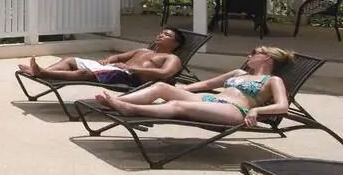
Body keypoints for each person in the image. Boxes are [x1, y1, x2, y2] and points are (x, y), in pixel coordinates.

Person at [95, 46, 292, 126]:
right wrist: (181, 90)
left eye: (254, 53)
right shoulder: (238, 73)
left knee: (177, 106)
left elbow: (283, 106)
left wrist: (256, 111)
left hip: (234, 110)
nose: (249, 56)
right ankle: (117, 101)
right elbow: (206, 84)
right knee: (162, 87)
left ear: (266, 57)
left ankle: (131, 109)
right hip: (211, 100)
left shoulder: (272, 81)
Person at [17, 27, 185, 87]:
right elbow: (118, 58)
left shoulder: (172, 59)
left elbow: (164, 74)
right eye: (161, 33)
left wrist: (131, 68)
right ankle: (42, 71)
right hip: (114, 69)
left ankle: (42, 73)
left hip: (129, 78)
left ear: (175, 43)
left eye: (166, 35)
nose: (161, 35)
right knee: (70, 60)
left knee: (85, 75)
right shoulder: (143, 51)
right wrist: (108, 60)